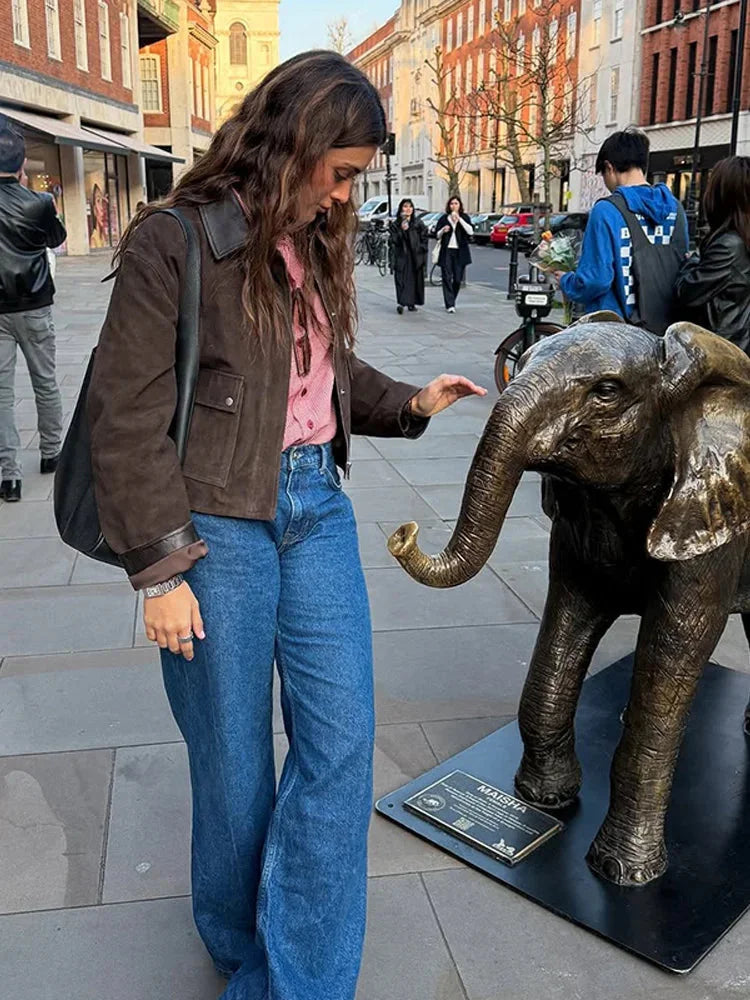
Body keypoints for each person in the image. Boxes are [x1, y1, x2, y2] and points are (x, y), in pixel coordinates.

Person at [87, 51, 485, 1000]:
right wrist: (159, 572)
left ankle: (295, 983)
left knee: (341, 743)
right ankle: (239, 946)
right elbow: (125, 415)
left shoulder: (309, 238)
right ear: (293, 145)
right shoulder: (173, 241)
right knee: (231, 763)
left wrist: (409, 399)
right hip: (213, 528)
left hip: (315, 512)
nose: (347, 197)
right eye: (340, 173)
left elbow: (324, 373)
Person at [556, 128, 688, 332]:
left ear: (609, 167)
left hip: (618, 333)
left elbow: (596, 279)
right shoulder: (675, 209)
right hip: (668, 329)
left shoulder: (606, 210)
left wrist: (566, 280)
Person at [0, 117, 66, 503]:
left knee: (2, 394)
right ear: (21, 165)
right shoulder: (39, 203)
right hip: (35, 304)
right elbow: (57, 239)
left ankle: (9, 476)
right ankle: (51, 452)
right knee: (45, 382)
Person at [675, 156, 750, 353]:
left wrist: (692, 260)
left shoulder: (729, 246)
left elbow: (686, 292)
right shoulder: (741, 239)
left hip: (722, 354)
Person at [389, 198, 428, 314]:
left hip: (415, 255)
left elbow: (424, 238)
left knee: (414, 279)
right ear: (401, 209)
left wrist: (421, 249)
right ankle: (401, 302)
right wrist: (402, 230)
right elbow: (393, 240)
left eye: (410, 207)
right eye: (405, 207)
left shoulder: (418, 223)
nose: (408, 209)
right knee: (401, 279)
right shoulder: (396, 224)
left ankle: (412, 302)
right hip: (402, 255)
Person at [435, 195, 473, 312]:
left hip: (460, 251)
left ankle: (452, 299)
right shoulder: (444, 219)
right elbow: (437, 235)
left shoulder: (465, 218)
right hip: (446, 251)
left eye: (456, 203)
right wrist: (443, 230)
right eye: (452, 204)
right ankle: (450, 304)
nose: (454, 206)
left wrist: (459, 220)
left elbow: (470, 231)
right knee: (446, 277)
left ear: (460, 205)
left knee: (457, 279)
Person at [89, 182, 109, 248]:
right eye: (98, 201)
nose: (102, 208)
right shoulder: (94, 238)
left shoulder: (104, 236)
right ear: (94, 209)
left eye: (103, 201)